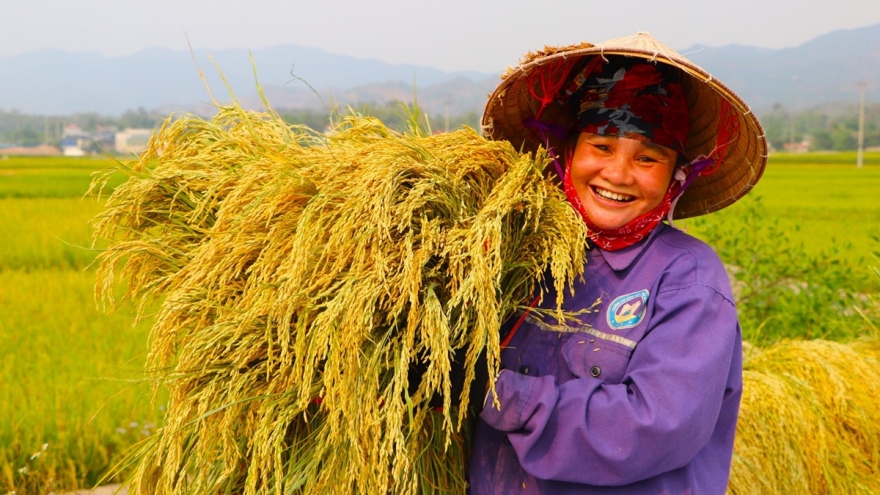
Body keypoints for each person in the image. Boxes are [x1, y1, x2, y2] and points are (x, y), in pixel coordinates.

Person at [468, 32, 768, 494]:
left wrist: (486, 392)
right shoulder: (525, 258)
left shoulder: (688, 280)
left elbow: (650, 428)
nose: (618, 174)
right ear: (568, 153)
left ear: (676, 176)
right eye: (601, 147)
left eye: (647, 158)